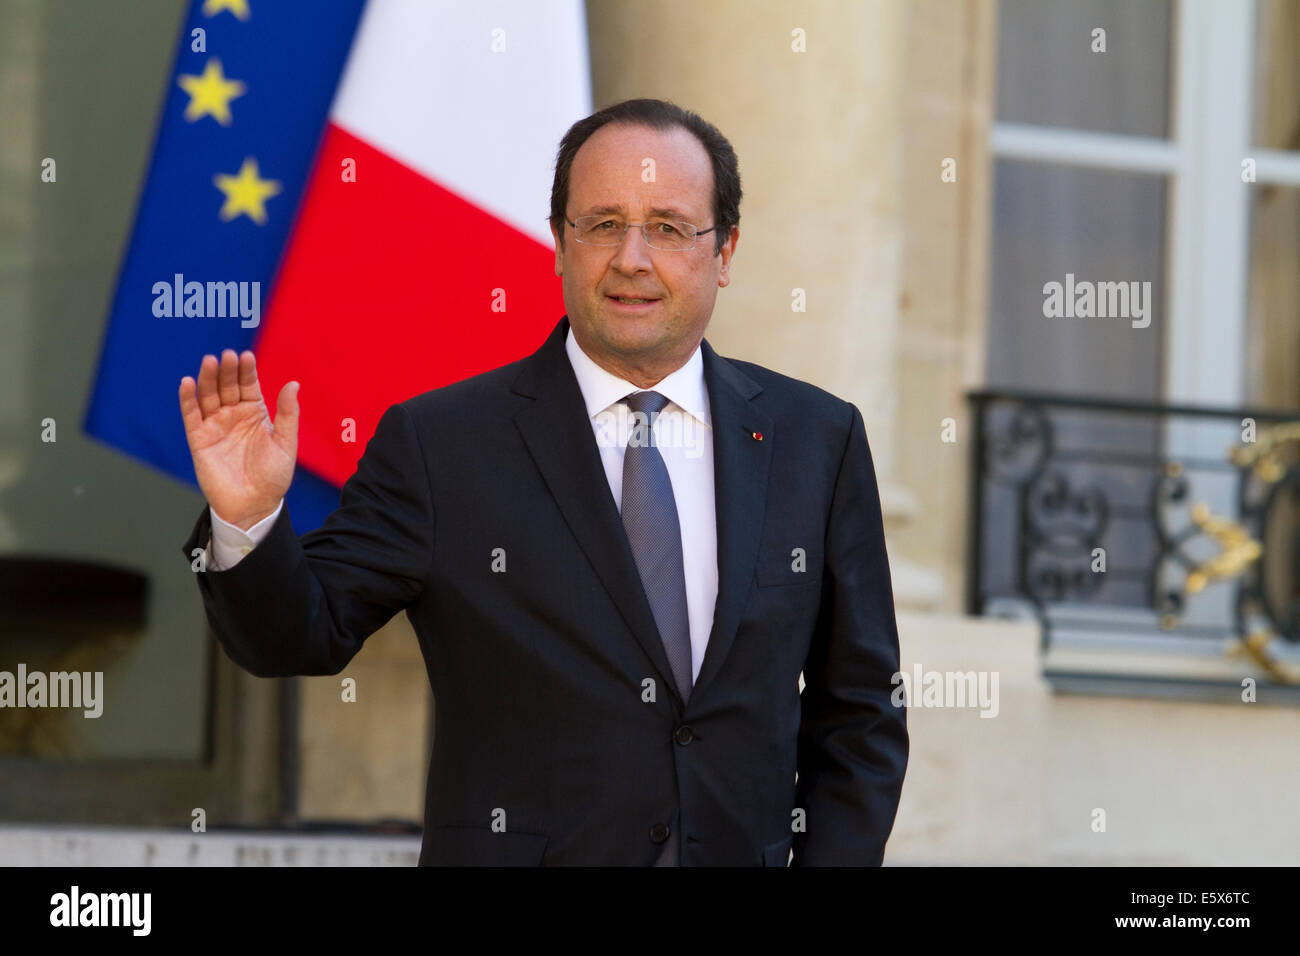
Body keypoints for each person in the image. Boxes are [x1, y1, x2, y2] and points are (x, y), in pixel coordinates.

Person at [178, 98, 908, 866]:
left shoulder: (816, 440)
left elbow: (859, 715)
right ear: (559, 242)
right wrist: (249, 519)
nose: (631, 257)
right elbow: (298, 635)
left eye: (667, 226)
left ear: (724, 251)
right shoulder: (442, 445)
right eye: (601, 224)